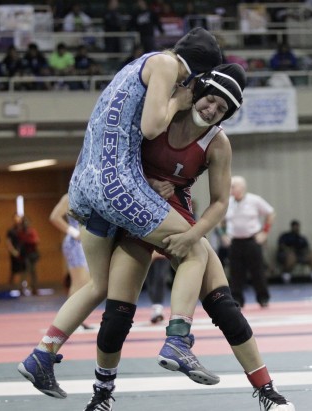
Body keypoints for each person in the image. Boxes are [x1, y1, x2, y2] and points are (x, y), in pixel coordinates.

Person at [18, 27, 223, 402]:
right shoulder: (165, 64)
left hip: (84, 184)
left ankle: (42, 355)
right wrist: (180, 101)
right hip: (118, 185)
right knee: (195, 250)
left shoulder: (136, 65)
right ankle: (178, 339)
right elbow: (151, 126)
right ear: (195, 73)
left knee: (98, 284)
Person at [86, 63, 294, 411]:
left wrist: (193, 235)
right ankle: (101, 396)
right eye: (210, 100)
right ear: (199, 92)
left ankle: (267, 392)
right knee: (116, 317)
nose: (211, 110)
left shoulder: (218, 143)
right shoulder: (164, 111)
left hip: (178, 218)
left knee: (226, 308)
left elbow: (220, 203)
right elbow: (117, 154)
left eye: (221, 109)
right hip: (136, 219)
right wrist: (145, 183)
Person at [223, 176, 275, 308]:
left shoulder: (254, 200)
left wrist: (265, 232)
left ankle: (263, 297)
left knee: (257, 271)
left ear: (242, 187)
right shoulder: (227, 202)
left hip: (252, 240)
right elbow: (220, 221)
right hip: (235, 242)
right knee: (236, 273)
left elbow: (271, 213)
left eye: (233, 186)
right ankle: (237, 299)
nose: (231, 189)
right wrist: (223, 235)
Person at [49, 193, 91, 329]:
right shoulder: (70, 197)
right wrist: (74, 233)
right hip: (76, 243)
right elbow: (54, 217)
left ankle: (77, 319)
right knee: (78, 283)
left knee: (85, 284)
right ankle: (68, 321)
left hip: (87, 243)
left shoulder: (91, 194)